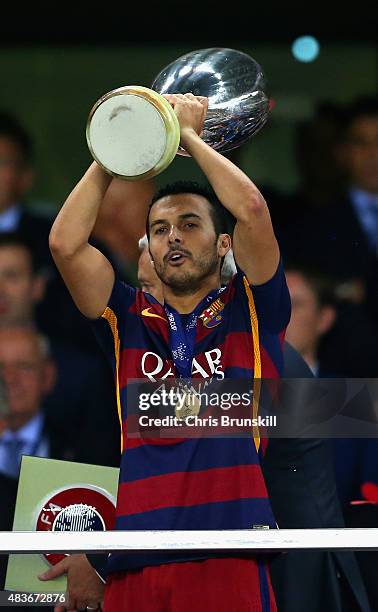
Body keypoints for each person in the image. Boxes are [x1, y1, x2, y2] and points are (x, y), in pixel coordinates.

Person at [45, 93, 290, 611]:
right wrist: (116, 148)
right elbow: (66, 244)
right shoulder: (127, 321)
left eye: (190, 224)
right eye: (159, 229)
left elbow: (249, 210)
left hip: (230, 552)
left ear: (224, 244)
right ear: (148, 247)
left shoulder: (250, 311)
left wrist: (190, 138)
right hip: (135, 561)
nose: (173, 237)